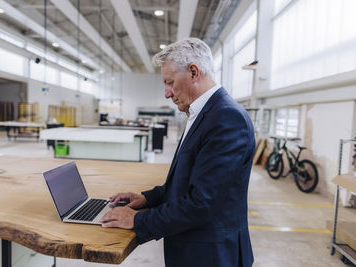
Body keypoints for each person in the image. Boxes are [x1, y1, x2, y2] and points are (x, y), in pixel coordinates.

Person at [101, 37, 255, 267]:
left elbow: (202, 203)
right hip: (196, 249)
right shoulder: (203, 113)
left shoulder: (226, 118)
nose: (167, 93)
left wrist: (138, 219)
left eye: (170, 82)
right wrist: (147, 199)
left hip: (212, 256)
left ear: (194, 72)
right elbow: (187, 182)